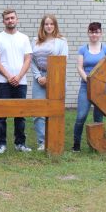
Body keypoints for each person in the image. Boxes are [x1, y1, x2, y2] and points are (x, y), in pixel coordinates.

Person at [0, 9, 32, 154]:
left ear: (17, 19)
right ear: (3, 21)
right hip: (3, 82)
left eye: (12, 18)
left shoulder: (24, 38)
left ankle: (20, 143)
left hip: (21, 82)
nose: (10, 20)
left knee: (20, 114)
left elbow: (28, 59)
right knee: (1, 114)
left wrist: (19, 77)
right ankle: (1, 144)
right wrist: (8, 76)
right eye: (7, 19)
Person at [30, 14, 68, 151]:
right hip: (39, 78)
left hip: (56, 77)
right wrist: (38, 77)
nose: (49, 26)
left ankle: (55, 140)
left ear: (55, 25)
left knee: (55, 110)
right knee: (38, 111)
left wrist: (49, 77)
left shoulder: (61, 41)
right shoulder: (35, 41)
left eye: (51, 24)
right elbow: (31, 60)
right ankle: (42, 141)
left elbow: (62, 60)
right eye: (46, 24)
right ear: (42, 26)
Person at [72, 22, 106, 152]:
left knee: (98, 117)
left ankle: (97, 145)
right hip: (86, 86)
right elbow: (79, 67)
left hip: (102, 87)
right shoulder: (83, 49)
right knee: (81, 116)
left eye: (97, 32)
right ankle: (76, 144)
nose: (94, 34)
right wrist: (88, 80)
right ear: (88, 33)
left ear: (101, 33)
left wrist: (98, 82)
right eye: (91, 31)